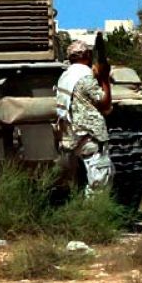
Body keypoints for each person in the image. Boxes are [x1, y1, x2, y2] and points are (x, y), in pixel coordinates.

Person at [56, 40, 113, 194]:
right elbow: (105, 104)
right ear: (87, 55)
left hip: (72, 135)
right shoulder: (85, 77)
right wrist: (104, 78)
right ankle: (95, 208)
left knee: (79, 180)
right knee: (99, 181)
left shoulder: (65, 77)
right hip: (90, 135)